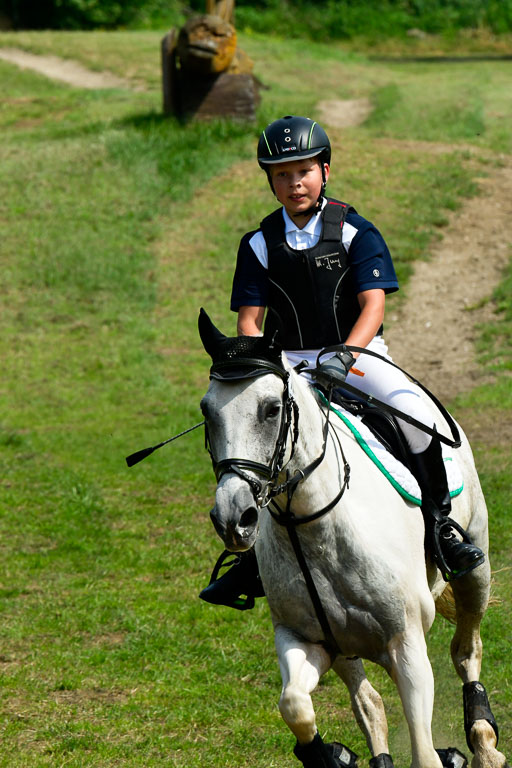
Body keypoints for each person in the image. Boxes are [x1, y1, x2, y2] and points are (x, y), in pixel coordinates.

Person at [200, 115, 484, 609]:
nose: (294, 184)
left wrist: (343, 359)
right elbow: (250, 322)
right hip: (288, 364)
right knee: (255, 445)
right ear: (270, 181)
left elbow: (373, 306)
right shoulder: (259, 244)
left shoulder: (355, 230)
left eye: (303, 171)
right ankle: (254, 559)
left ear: (325, 170)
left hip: (359, 354)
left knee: (416, 419)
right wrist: (267, 370)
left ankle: (442, 527)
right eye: (282, 175)